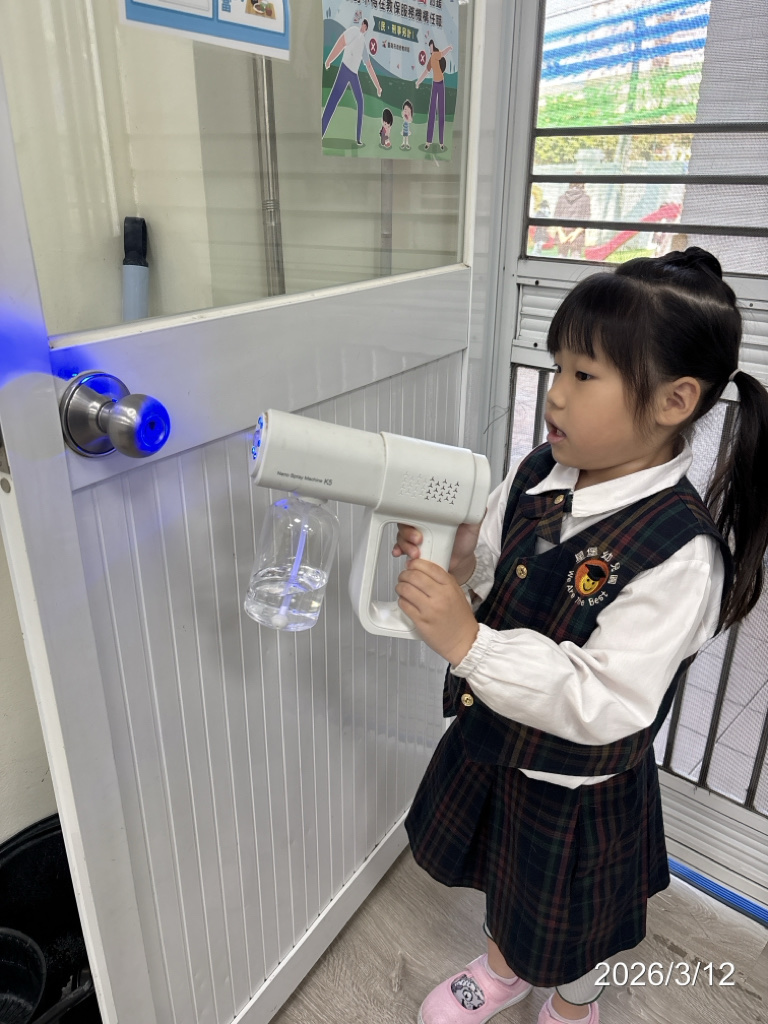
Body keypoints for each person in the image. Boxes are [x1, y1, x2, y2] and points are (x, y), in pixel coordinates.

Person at [392, 247, 768, 1024]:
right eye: (557, 365)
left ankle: (572, 1005)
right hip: (497, 745)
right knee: (506, 882)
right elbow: (496, 566)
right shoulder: (538, 471)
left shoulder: (683, 555)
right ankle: (502, 971)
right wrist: (461, 567)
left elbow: (605, 699)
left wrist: (471, 644)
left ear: (675, 400)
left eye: (584, 375)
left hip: (576, 792)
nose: (555, 392)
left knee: (574, 923)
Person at [322, 18, 382, 146]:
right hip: (345, 69)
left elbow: (369, 66)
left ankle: (358, 138)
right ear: (362, 25)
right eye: (364, 25)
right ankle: (321, 132)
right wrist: (329, 60)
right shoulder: (354, 31)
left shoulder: (363, 44)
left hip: (353, 74)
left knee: (361, 101)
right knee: (333, 100)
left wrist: (378, 86)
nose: (364, 28)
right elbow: (341, 43)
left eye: (366, 27)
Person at [416, 40, 453, 150]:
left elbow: (443, 53)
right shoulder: (431, 60)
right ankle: (428, 141)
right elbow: (425, 72)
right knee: (432, 112)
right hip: (435, 85)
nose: (430, 49)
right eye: (429, 47)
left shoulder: (436, 55)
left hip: (440, 84)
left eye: (431, 46)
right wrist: (418, 82)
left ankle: (441, 142)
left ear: (433, 46)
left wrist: (449, 48)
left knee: (441, 111)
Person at [554, 182, 591, 258]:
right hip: (577, 238)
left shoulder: (561, 198)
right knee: (575, 262)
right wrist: (574, 234)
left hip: (563, 237)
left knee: (559, 261)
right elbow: (586, 219)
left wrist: (561, 234)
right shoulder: (586, 199)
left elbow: (556, 218)